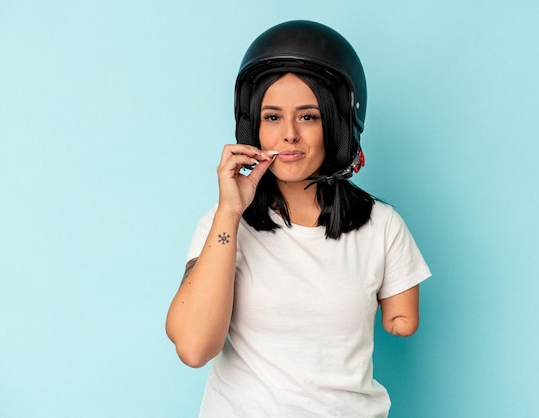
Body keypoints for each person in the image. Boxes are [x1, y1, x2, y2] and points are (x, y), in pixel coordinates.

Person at [166, 20, 431, 417]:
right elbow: (193, 347)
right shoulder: (222, 224)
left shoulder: (382, 225)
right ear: (252, 126)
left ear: (338, 126)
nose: (289, 134)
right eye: (272, 117)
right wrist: (229, 212)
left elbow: (403, 320)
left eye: (308, 117)